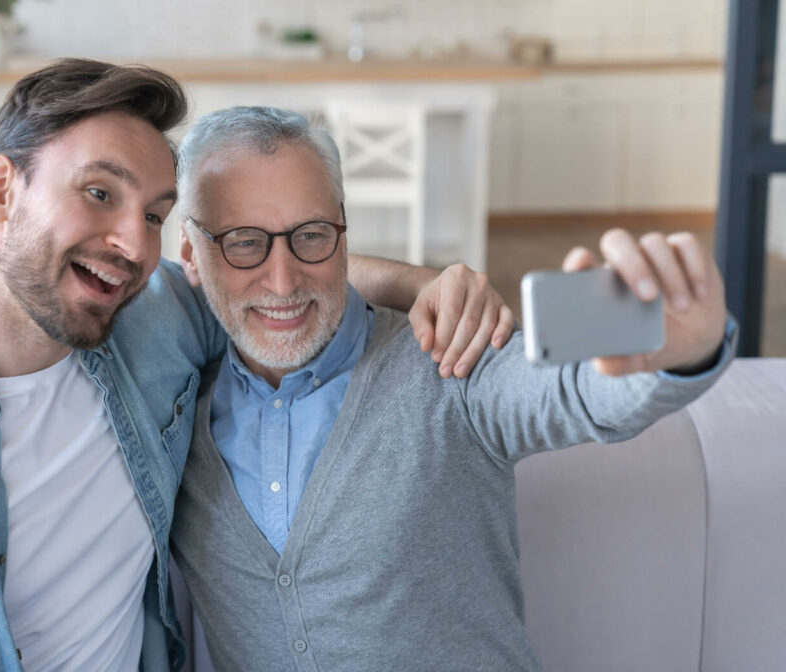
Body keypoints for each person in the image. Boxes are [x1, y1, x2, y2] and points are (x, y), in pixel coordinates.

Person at [0, 63, 511, 671]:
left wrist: (428, 285)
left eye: (154, 214)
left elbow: (285, 279)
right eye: (98, 193)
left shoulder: (148, 326)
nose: (134, 244)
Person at [163, 107, 736, 671]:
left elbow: (577, 393)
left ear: (341, 231)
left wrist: (679, 353)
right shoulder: (175, 404)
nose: (284, 280)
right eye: (243, 243)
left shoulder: (449, 360)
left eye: (312, 235)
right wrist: (410, 278)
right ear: (189, 253)